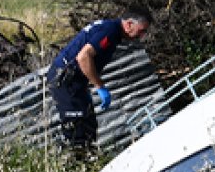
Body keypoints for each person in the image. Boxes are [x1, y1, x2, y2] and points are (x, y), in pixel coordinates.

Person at [47, 10, 151, 150]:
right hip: (65, 79)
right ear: (129, 24)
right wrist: (100, 86)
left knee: (89, 124)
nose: (142, 36)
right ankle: (76, 161)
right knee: (77, 125)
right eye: (141, 31)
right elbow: (83, 57)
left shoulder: (111, 29)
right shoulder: (110, 31)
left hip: (76, 81)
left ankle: (88, 158)